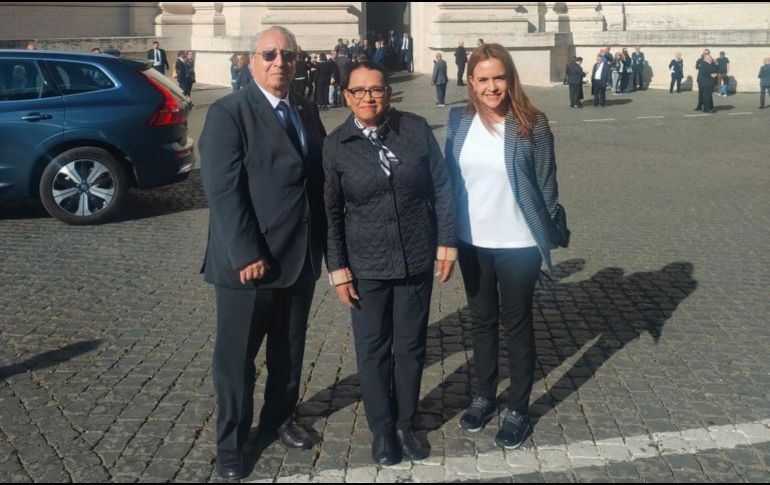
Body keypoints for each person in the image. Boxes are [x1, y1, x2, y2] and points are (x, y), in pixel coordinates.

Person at [198, 25, 327, 481]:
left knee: (289, 351)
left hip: (299, 258)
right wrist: (246, 250)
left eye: (287, 55)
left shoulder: (307, 110)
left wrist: (328, 250)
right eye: (269, 54)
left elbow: (317, 181)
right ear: (251, 61)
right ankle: (231, 442)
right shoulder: (228, 112)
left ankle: (278, 419)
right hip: (248, 264)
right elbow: (223, 188)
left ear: (298, 61)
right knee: (236, 359)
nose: (279, 63)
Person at [323, 60, 456, 466]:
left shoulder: (414, 129)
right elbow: (331, 212)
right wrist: (338, 269)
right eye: (359, 91)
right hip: (366, 266)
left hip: (416, 256)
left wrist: (447, 242)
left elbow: (443, 187)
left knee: (412, 347)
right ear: (346, 96)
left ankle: (406, 423)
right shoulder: (336, 144)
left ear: (388, 92)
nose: (368, 97)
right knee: (373, 350)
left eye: (376, 89)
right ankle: (382, 429)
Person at [445, 42, 561, 451]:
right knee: (480, 321)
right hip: (472, 242)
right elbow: (449, 181)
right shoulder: (458, 120)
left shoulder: (532, 122)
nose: (492, 87)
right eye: (483, 79)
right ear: (471, 82)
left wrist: (546, 235)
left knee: (516, 324)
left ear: (510, 79)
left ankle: (517, 409)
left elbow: (547, 184)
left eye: (499, 77)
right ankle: (483, 395)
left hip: (518, 242)